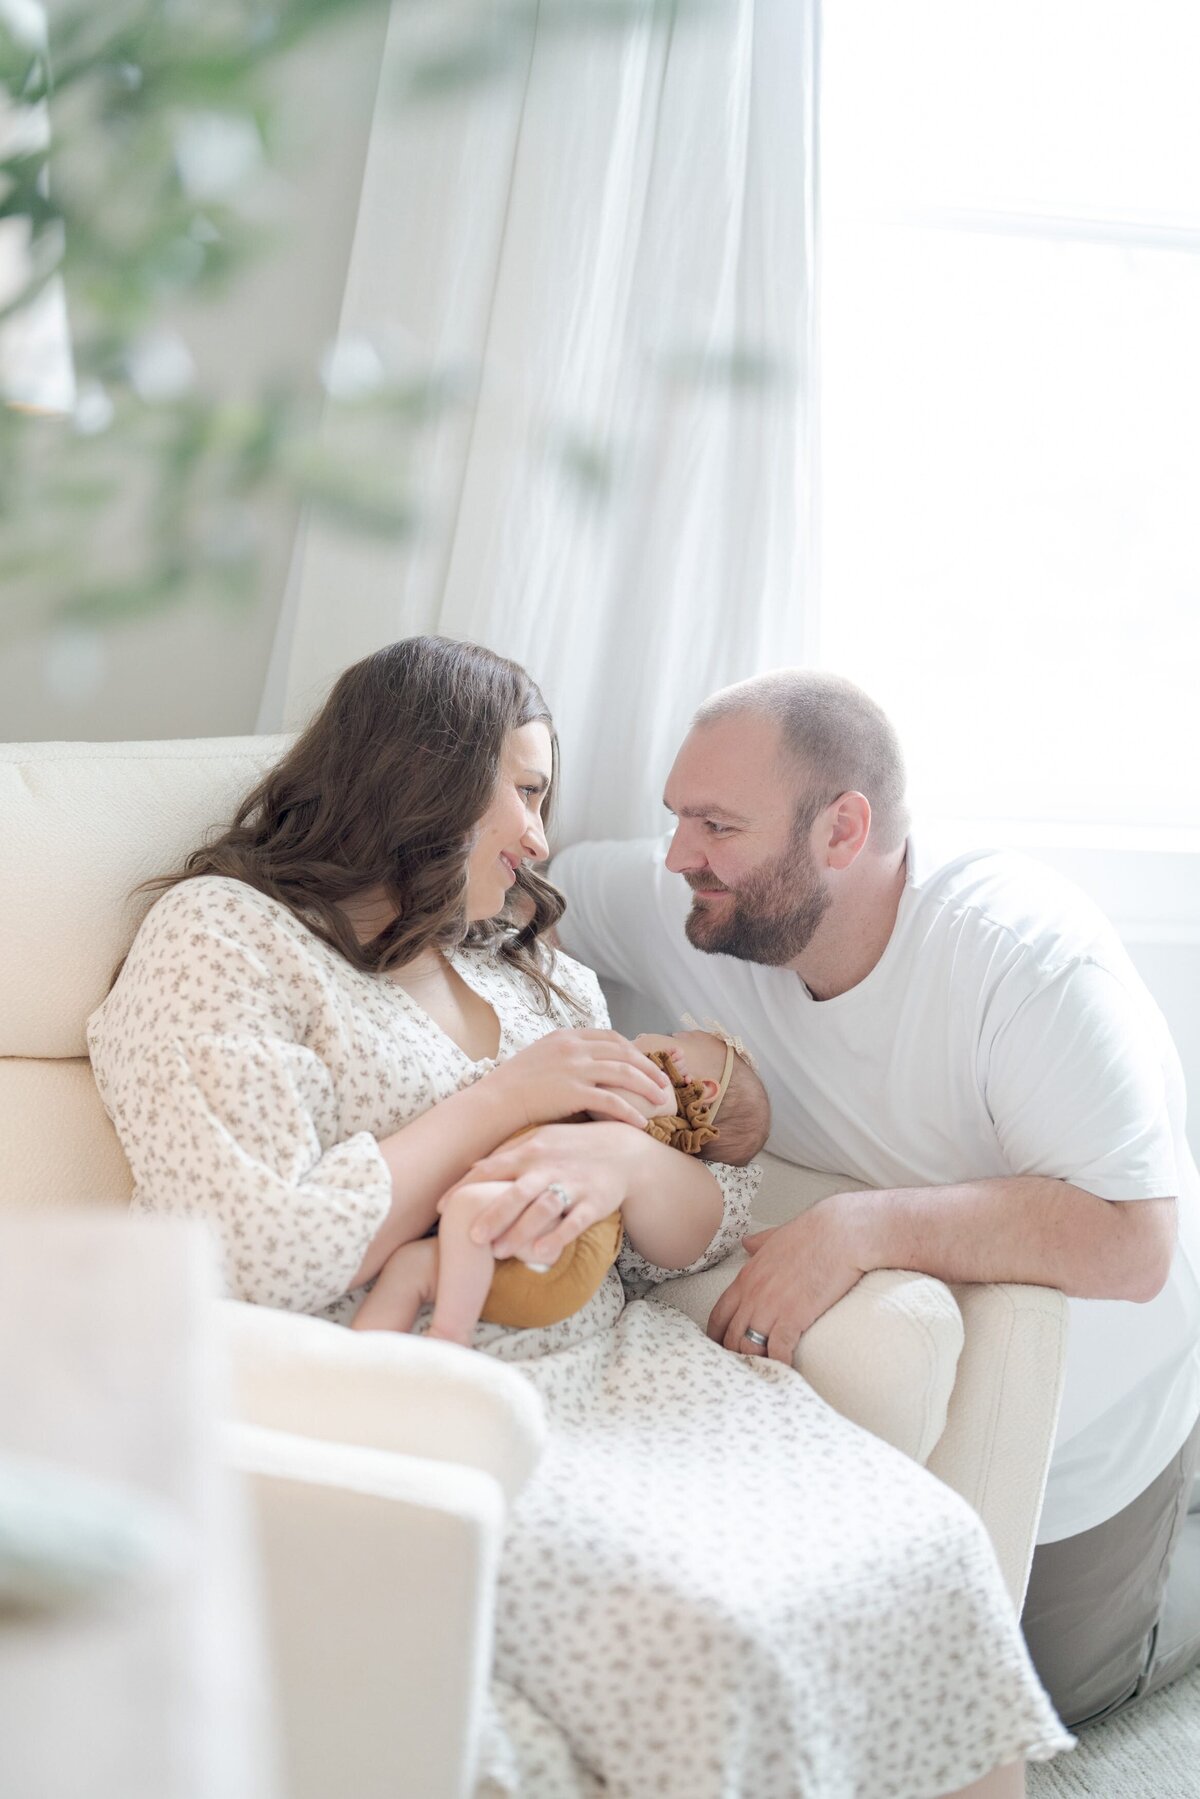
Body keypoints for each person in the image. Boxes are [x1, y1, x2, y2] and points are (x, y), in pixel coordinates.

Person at [87, 637, 1069, 1798]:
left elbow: (695, 1230)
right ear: (426, 772)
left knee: (927, 1550)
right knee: (727, 1629)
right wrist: (503, 1098)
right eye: (531, 789)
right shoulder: (226, 936)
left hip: (625, 1366)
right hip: (421, 1386)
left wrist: (623, 1165)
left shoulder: (522, 965)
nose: (544, 839)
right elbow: (250, 1247)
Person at [550, 666, 1200, 1733]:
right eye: (677, 817)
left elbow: (1133, 1244)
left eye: (716, 823)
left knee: (1060, 1692)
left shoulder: (1022, 958)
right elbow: (541, 895)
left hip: (1112, 1414)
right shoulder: (700, 907)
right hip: (993, 1377)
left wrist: (866, 1224)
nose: (678, 855)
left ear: (844, 830)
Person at [351, 1027, 770, 1342]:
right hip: (545, 1248)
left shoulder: (656, 1101)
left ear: (701, 1087)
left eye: (675, 1036)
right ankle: (358, 1360)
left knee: (470, 1209)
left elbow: (618, 1101)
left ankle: (449, 1336)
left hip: (555, 1246)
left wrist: (646, 1066)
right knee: (410, 1265)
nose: (644, 1033)